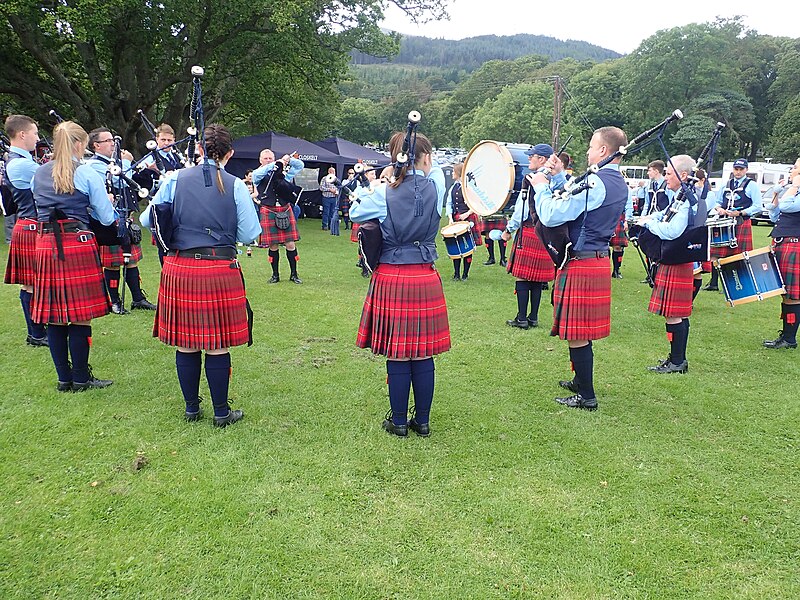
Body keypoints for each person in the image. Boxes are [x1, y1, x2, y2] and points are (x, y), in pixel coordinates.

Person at [141, 124, 261, 426]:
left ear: (198, 150)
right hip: (218, 267)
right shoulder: (234, 184)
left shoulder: (174, 178)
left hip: (179, 267)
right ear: (229, 154)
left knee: (187, 341)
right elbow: (250, 233)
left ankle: (192, 409)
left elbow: (147, 218)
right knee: (217, 343)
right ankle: (221, 412)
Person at [350, 131, 449, 437]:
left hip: (392, 275)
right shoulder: (438, 186)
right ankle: (423, 421)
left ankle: (400, 422)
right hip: (424, 275)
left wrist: (381, 182)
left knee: (398, 351)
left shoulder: (383, 193)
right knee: (422, 352)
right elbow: (433, 179)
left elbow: (355, 212)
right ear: (427, 158)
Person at [530, 126, 629, 411]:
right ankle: (579, 380)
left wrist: (540, 186)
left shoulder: (597, 183)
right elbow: (571, 196)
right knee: (580, 331)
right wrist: (559, 174)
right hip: (594, 258)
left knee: (577, 333)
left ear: (603, 151)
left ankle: (586, 395)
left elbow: (551, 214)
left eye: (591, 146)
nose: (587, 151)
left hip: (582, 261)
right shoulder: (616, 180)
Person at [31, 121, 115, 392]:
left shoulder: (38, 173)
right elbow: (106, 217)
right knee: (80, 315)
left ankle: (63, 378)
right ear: (80, 144)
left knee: (54, 315)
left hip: (46, 243)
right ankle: (80, 377)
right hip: (77, 241)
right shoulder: (87, 173)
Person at [638, 154, 699, 373]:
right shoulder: (680, 198)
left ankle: (677, 362)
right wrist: (650, 221)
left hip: (676, 258)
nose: (666, 177)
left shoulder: (686, 202)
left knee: (674, 313)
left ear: (683, 175)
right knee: (676, 313)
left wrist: (649, 226)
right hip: (677, 259)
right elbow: (660, 216)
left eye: (669, 173)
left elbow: (672, 231)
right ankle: (676, 359)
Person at [86, 128, 156, 313]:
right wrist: (126, 162)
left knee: (131, 260)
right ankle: (115, 301)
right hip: (108, 220)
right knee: (113, 263)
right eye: (108, 140)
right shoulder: (94, 166)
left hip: (125, 216)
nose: (113, 144)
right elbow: (121, 181)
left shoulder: (112, 162)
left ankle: (138, 299)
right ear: (96, 145)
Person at [502, 144, 558, 328]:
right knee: (537, 278)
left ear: (541, 159)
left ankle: (521, 318)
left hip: (528, 230)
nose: (528, 159)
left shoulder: (532, 178)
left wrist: (509, 229)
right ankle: (533, 317)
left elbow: (522, 209)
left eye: (531, 156)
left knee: (523, 277)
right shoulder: (554, 178)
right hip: (545, 233)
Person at [3, 114, 48, 346]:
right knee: (31, 282)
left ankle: (39, 331)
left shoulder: (21, 161)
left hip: (30, 225)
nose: (37, 138)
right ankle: (37, 333)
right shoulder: (22, 164)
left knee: (34, 282)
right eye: (35, 133)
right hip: (31, 225)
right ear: (22, 134)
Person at [703, 158, 761, 291]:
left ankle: (737, 284)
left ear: (746, 170)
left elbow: (757, 206)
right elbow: (717, 202)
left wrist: (740, 212)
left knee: (738, 255)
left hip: (741, 223)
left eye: (741, 169)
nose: (738, 172)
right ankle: (713, 283)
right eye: (736, 169)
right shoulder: (726, 184)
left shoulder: (751, 185)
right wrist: (719, 209)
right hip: (724, 222)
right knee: (715, 252)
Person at [253, 148, 304, 284]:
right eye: (266, 158)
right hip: (269, 210)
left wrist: (287, 159)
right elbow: (258, 174)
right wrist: (275, 164)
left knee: (290, 244)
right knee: (273, 245)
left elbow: (300, 165)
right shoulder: (257, 174)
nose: (269, 161)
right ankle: (275, 275)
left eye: (271, 158)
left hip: (284, 209)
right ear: (260, 160)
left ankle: (294, 274)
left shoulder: (283, 174)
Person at [764, 158, 800, 349]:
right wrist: (778, 192)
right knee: (785, 292)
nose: (791, 170)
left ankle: (790, 339)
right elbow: (775, 214)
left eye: (795, 167)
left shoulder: (797, 191)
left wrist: (794, 186)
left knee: (793, 295)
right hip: (783, 243)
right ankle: (786, 336)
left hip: (795, 244)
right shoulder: (793, 191)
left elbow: (787, 207)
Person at [445, 162, 482, 281]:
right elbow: (449, 203)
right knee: (456, 246)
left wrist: (466, 214)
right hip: (456, 219)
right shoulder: (453, 187)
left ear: (458, 173)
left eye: (453, 171)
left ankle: (465, 274)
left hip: (468, 218)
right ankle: (456, 274)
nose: (451, 173)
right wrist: (450, 218)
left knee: (467, 247)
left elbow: (477, 203)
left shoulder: (469, 186)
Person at [609, 185, 635, 278]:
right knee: (603, 245)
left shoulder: (625, 188)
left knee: (618, 246)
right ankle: (605, 269)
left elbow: (629, 205)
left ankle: (616, 270)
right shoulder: (606, 185)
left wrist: (627, 220)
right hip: (606, 217)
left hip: (619, 217)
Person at [319, 166, 340, 231]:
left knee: (332, 212)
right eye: (331, 171)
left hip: (334, 198)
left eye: (333, 171)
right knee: (326, 212)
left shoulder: (336, 179)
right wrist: (330, 190)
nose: (332, 172)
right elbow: (321, 188)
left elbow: (339, 187)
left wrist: (336, 192)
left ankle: (331, 226)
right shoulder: (324, 179)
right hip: (326, 198)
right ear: (328, 172)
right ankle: (324, 225)